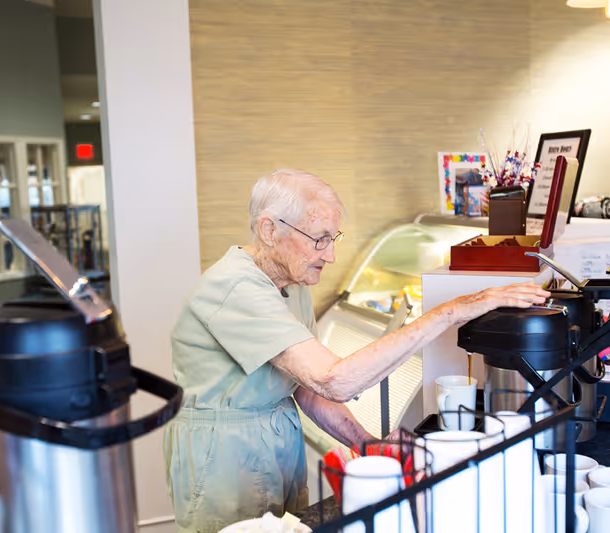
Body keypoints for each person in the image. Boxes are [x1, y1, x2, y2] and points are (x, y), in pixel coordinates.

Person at [163, 168, 549, 533]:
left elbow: (307, 389)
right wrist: (451, 311)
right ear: (268, 230)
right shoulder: (234, 289)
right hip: (225, 457)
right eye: (320, 238)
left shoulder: (292, 285)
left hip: (278, 445)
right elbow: (333, 381)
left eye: (334, 238)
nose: (329, 255)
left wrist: (366, 444)